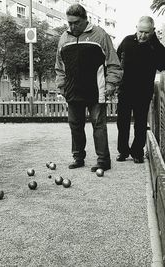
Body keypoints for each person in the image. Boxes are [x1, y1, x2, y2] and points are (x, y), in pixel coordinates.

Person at [55, 4, 123, 171]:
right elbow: (59, 65)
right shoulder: (64, 37)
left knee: (98, 125)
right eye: (69, 23)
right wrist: (61, 86)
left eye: (76, 22)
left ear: (85, 20)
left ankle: (103, 161)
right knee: (75, 125)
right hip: (72, 90)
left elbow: (114, 64)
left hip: (95, 90)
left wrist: (110, 84)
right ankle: (78, 157)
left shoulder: (100, 35)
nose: (72, 26)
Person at [116, 16, 165, 164]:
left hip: (143, 92)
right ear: (136, 28)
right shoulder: (127, 41)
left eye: (147, 33)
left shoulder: (156, 47)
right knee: (122, 122)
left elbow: (162, 66)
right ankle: (123, 151)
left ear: (153, 31)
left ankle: (137, 152)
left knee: (140, 123)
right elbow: (116, 61)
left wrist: (154, 41)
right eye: (140, 31)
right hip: (125, 90)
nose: (142, 35)